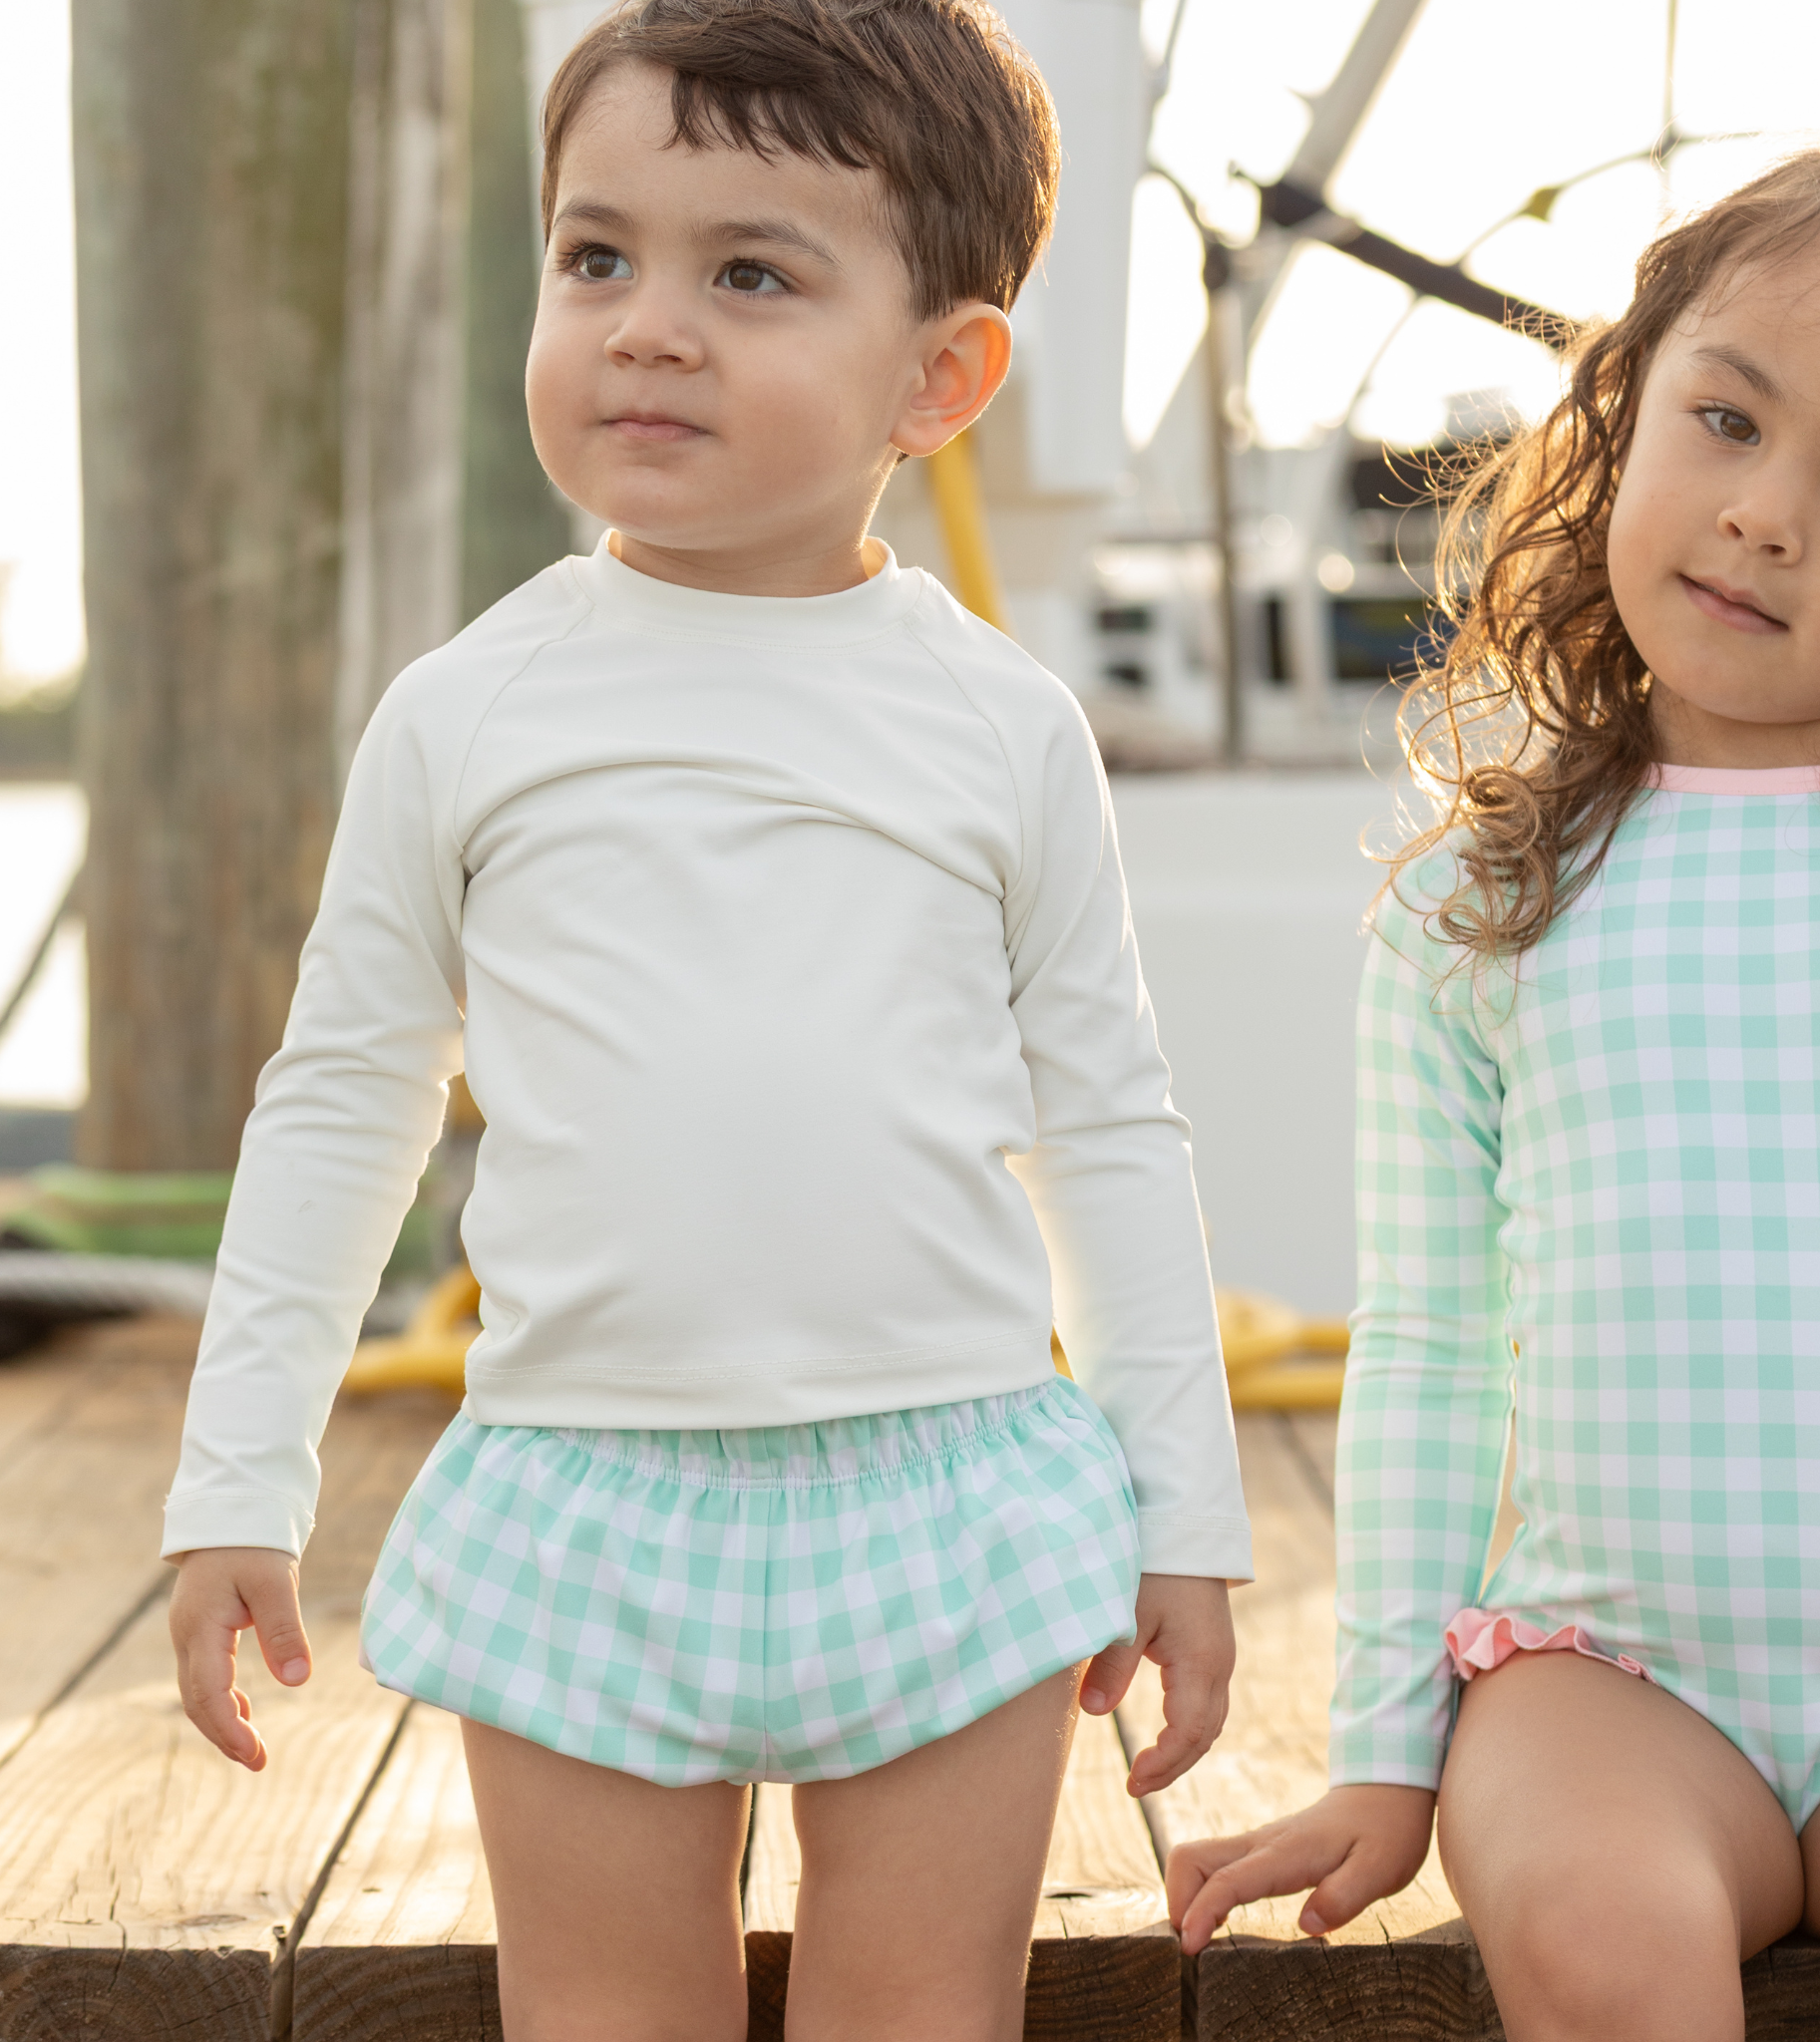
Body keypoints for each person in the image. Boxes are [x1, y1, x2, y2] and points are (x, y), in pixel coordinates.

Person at [161, 4, 1252, 2037]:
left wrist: (1185, 1512)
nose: (648, 325)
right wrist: (239, 1476)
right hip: (583, 1492)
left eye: (747, 272)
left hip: (955, 1499)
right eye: (599, 258)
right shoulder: (466, 709)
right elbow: (343, 1099)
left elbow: (1108, 1120)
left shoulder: (1002, 725)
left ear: (940, 375)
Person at [1170, 123, 1820, 2040]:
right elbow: (1426, 1342)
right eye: (1728, 423)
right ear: (1631, 408)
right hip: (1611, 1684)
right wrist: (1390, 1752)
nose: (1767, 515)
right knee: (1597, 1934)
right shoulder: (1486, 905)